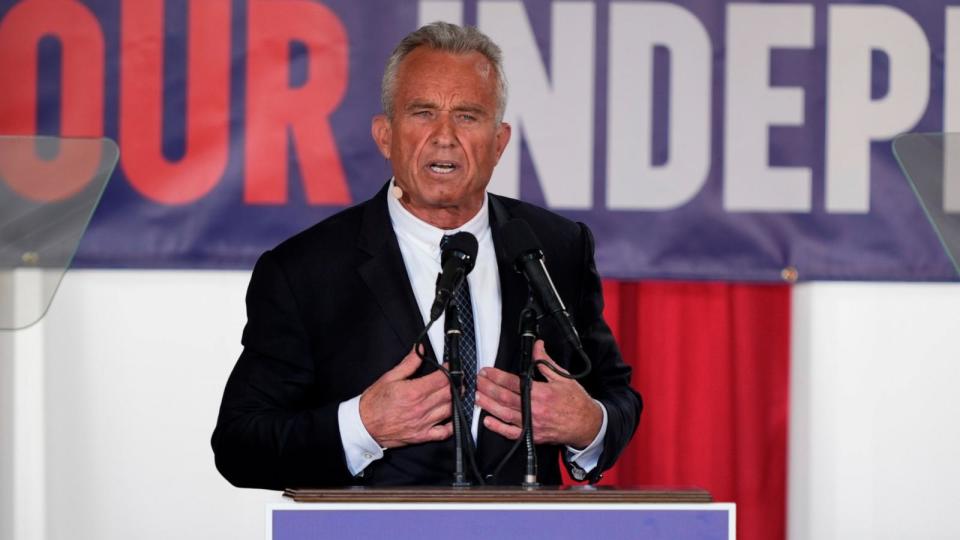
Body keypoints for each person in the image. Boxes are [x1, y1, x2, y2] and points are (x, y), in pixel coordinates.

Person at [212, 22, 641, 489]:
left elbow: (616, 397)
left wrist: (588, 425)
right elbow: (240, 446)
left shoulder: (558, 246)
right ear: (385, 135)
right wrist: (361, 427)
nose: (444, 135)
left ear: (499, 142)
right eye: (422, 112)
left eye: (468, 116)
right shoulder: (305, 271)